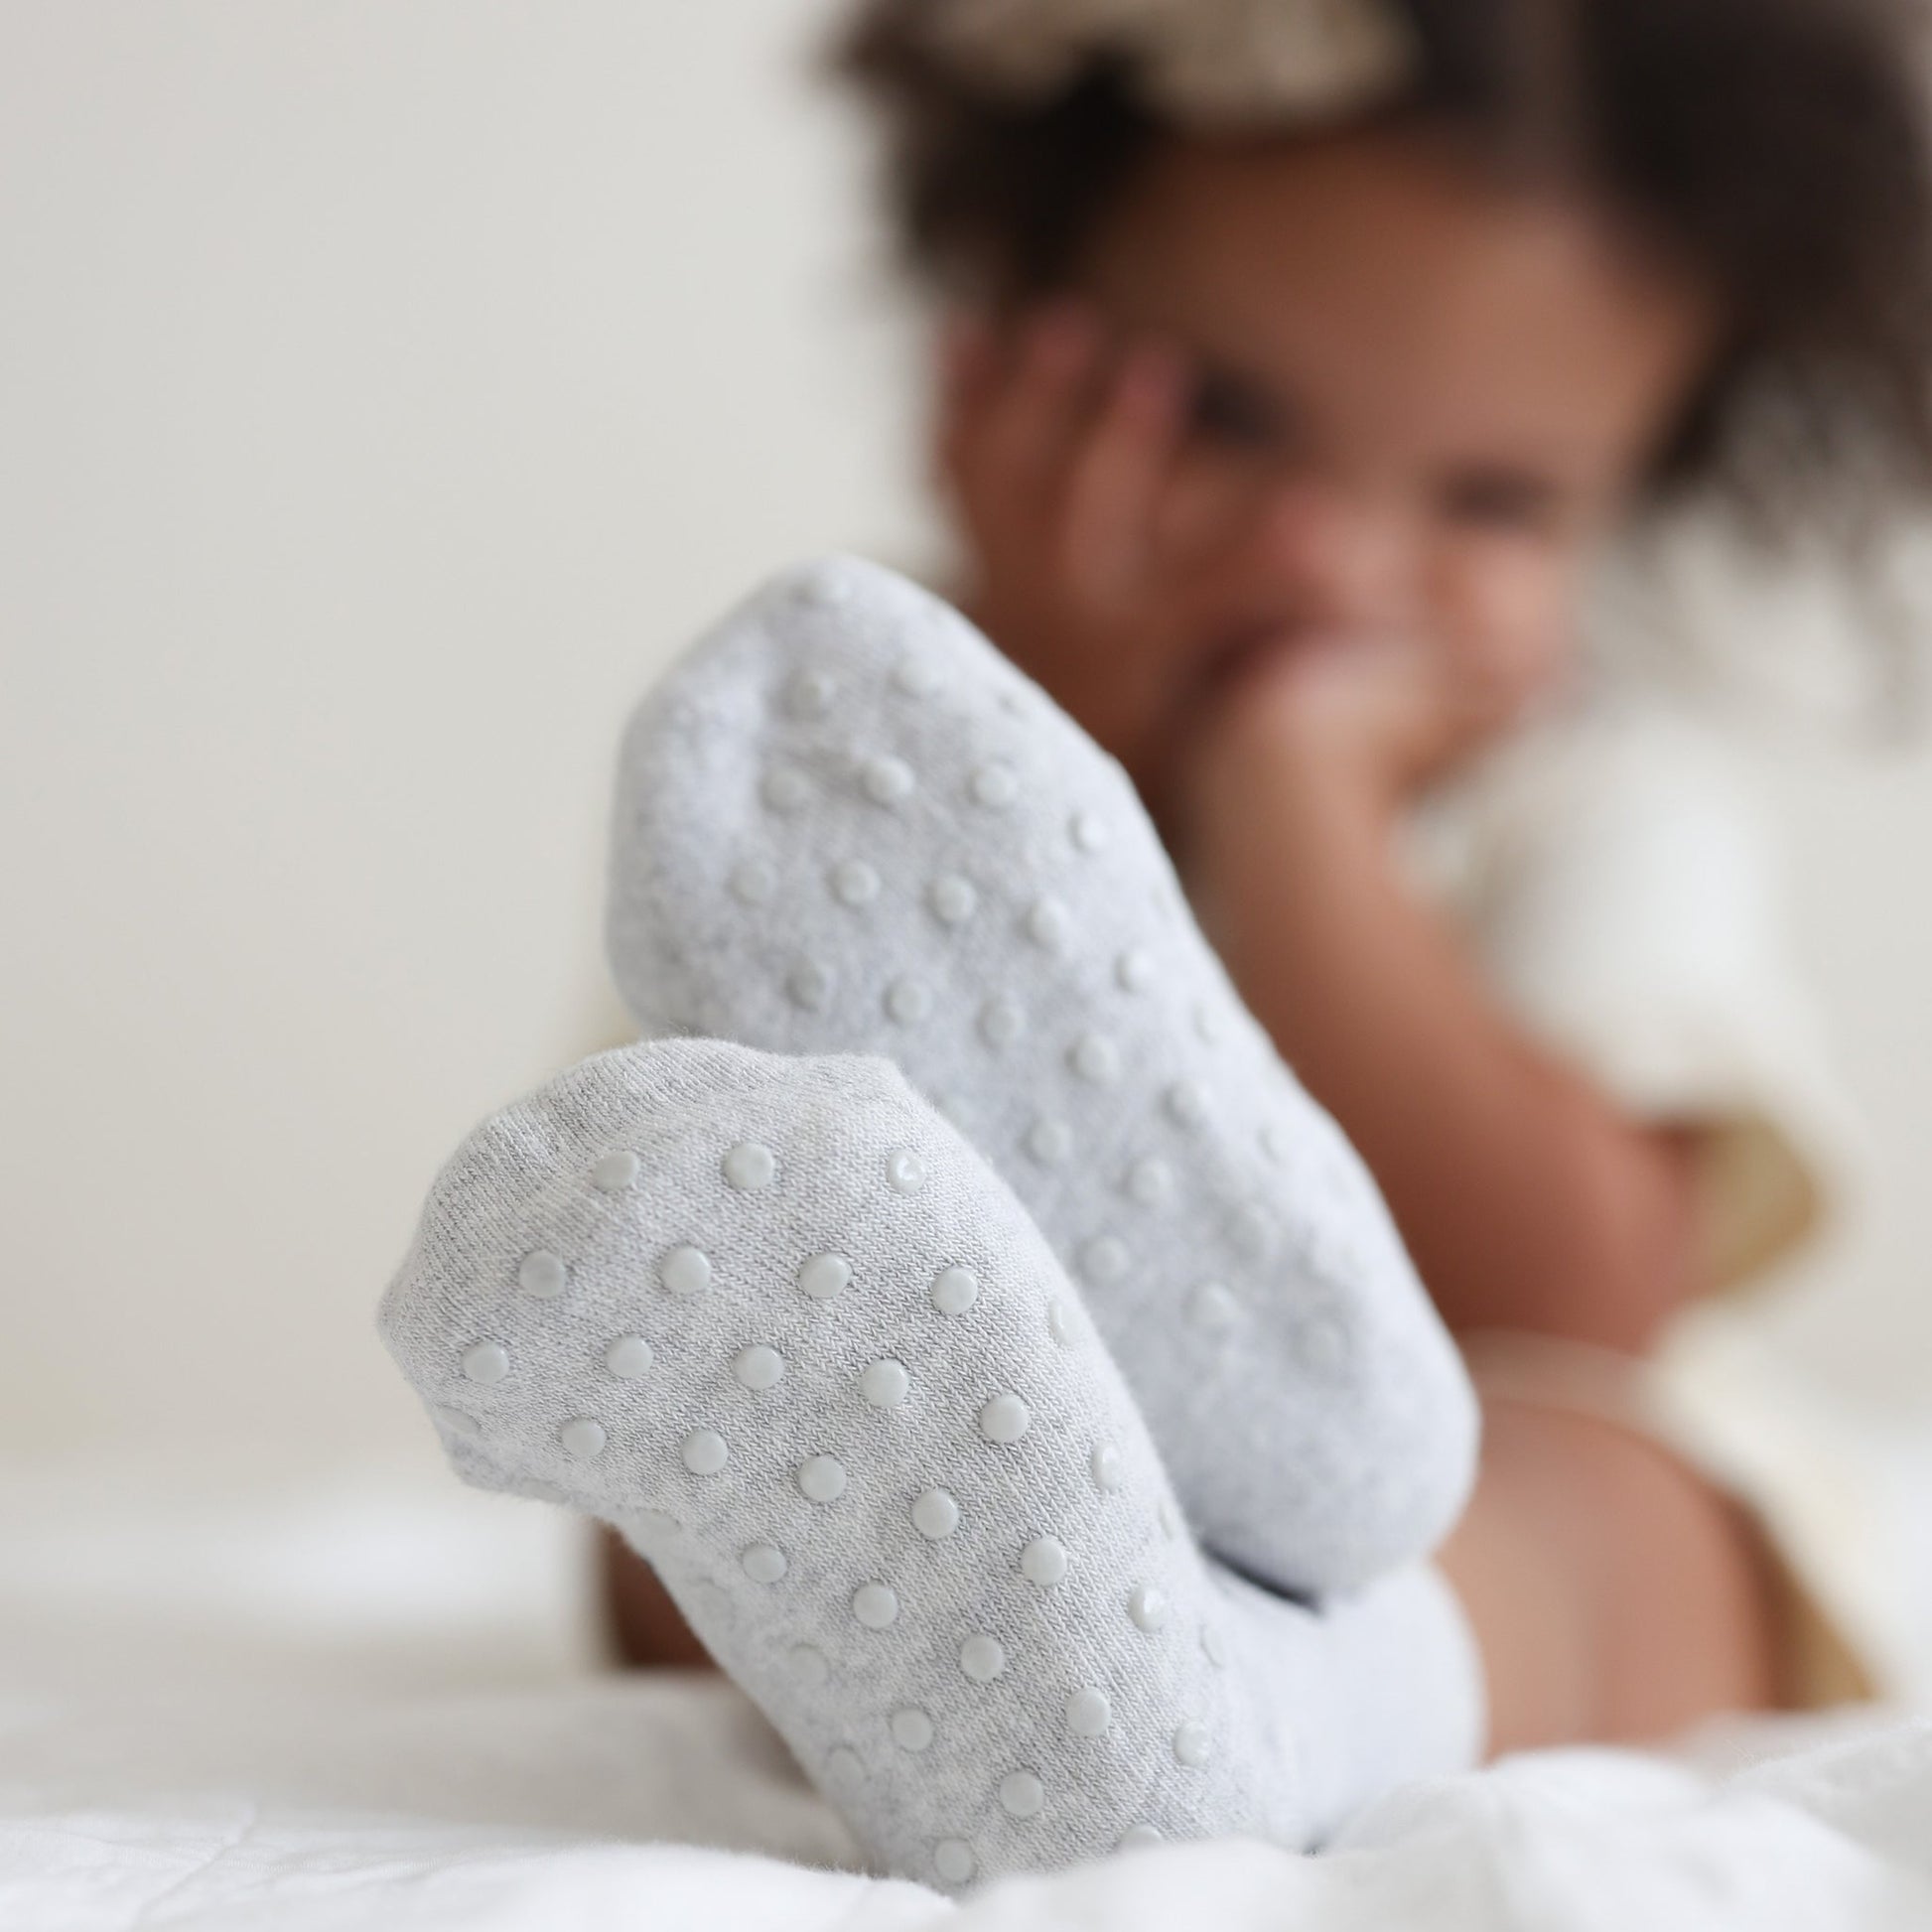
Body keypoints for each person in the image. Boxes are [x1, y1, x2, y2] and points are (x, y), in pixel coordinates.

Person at [600, 0, 1932, 1756]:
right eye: (1227, 416)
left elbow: (1564, 1298)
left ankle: (1252, 1714)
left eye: (1492, 504)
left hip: (1464, 1475)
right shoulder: (838, 751)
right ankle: (1026, 1649)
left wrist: (1289, 804)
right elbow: (711, 1188)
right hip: (976, 1446)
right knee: (661, 1468)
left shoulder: (1590, 799)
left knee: (1617, 1504)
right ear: (996, 352)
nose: (1327, 557)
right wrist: (1043, 749)